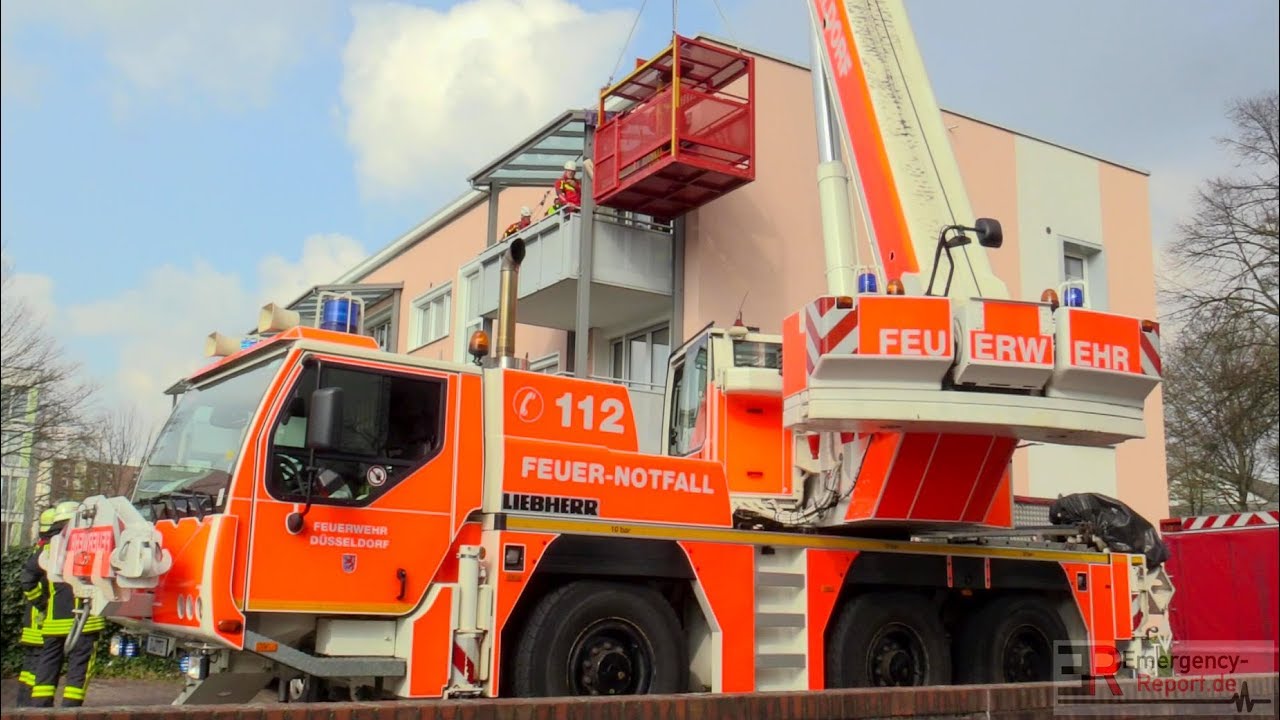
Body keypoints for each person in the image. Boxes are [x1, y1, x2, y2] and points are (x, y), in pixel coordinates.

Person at [30, 500, 106, 708]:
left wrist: (42, 602)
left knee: (47, 665)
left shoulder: (47, 549)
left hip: (54, 620)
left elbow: (27, 579)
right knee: (79, 669)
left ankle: (39, 709)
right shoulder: (93, 543)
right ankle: (70, 711)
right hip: (84, 620)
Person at [16, 508, 56, 707]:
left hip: (32, 623)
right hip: (41, 622)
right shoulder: (47, 551)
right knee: (40, 668)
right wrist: (43, 604)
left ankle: (23, 706)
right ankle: (36, 708)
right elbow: (29, 584)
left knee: (29, 669)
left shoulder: (38, 549)